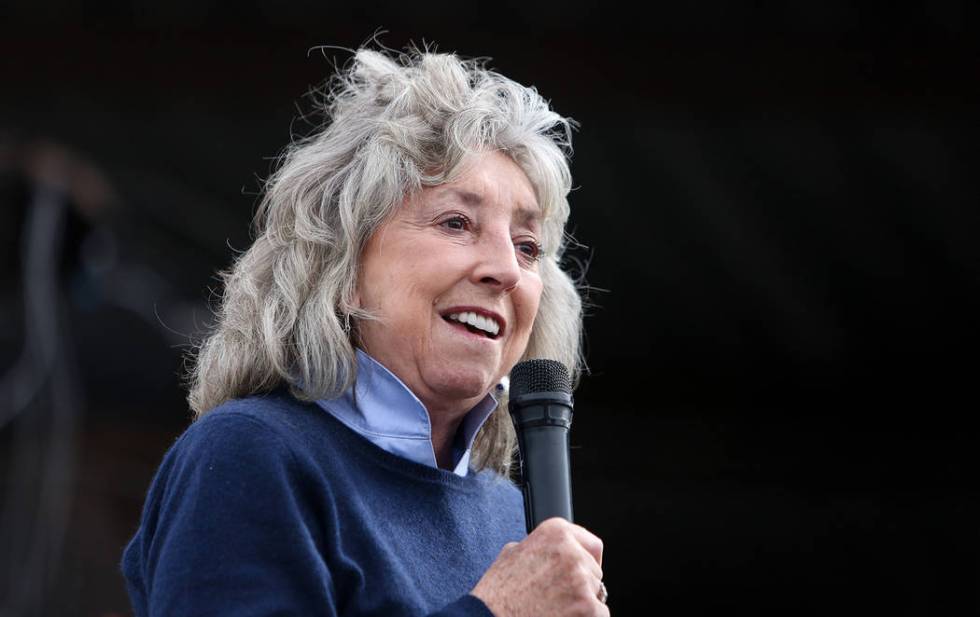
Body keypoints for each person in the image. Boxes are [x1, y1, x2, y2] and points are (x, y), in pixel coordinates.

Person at [121, 47, 608, 617]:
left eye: (528, 248)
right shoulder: (251, 456)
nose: (504, 268)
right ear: (344, 267)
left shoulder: (512, 520)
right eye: (456, 222)